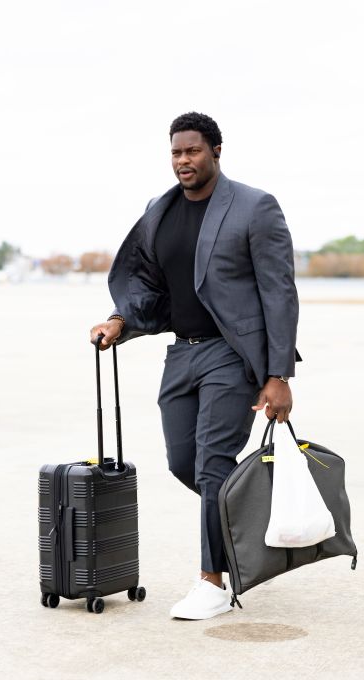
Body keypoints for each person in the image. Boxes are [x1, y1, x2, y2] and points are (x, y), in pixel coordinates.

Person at [88, 112, 300, 620]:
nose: (184, 161)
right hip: (182, 352)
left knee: (211, 465)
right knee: (185, 463)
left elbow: (279, 292)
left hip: (232, 354)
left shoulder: (254, 207)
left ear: (216, 152)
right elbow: (150, 284)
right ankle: (242, 511)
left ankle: (214, 581)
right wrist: (121, 320)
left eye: (193, 151)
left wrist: (279, 376)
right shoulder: (159, 211)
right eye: (176, 153)